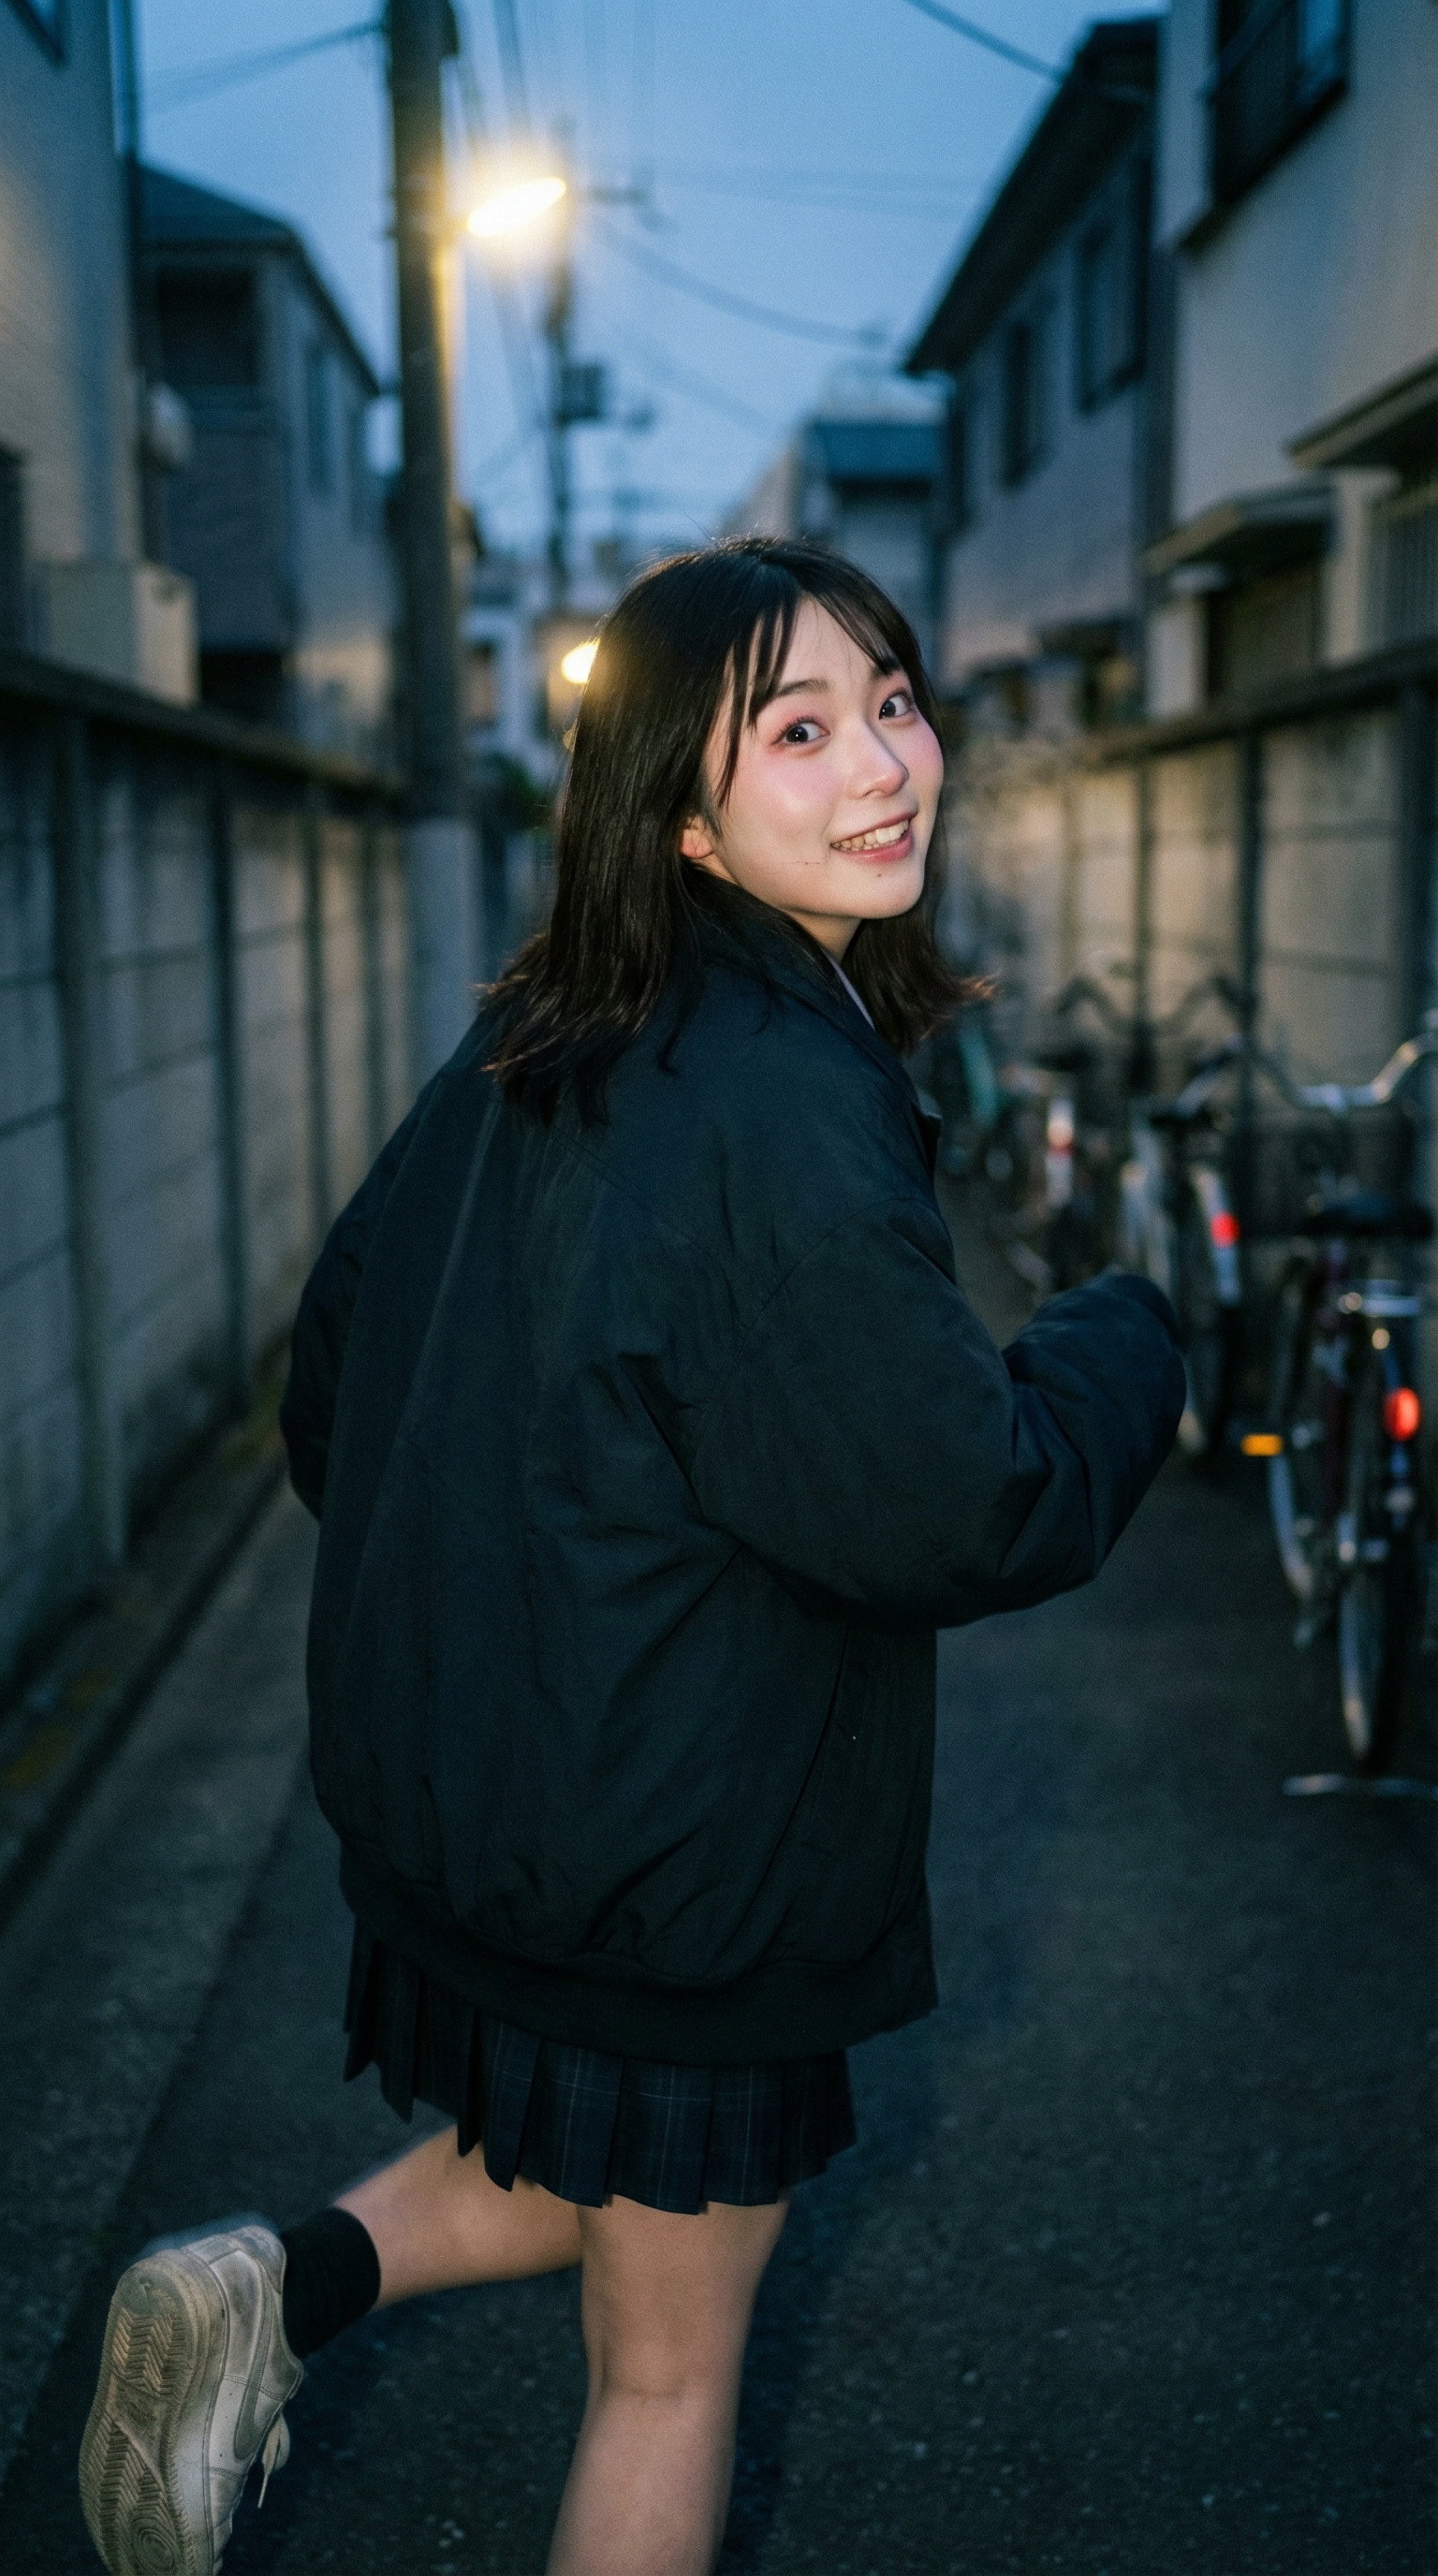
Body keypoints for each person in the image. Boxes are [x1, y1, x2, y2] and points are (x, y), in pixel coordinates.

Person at [79, 537, 1184, 2576]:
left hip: (499, 1824)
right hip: (682, 1850)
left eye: (893, 700)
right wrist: (1128, 1339)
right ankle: (272, 2289)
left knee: (582, 2170)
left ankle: (272, 2287)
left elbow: (337, 1382)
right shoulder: (778, 1094)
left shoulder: (549, 1024)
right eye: (800, 730)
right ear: (682, 811)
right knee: (664, 2370)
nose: (887, 765)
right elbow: (968, 1497)